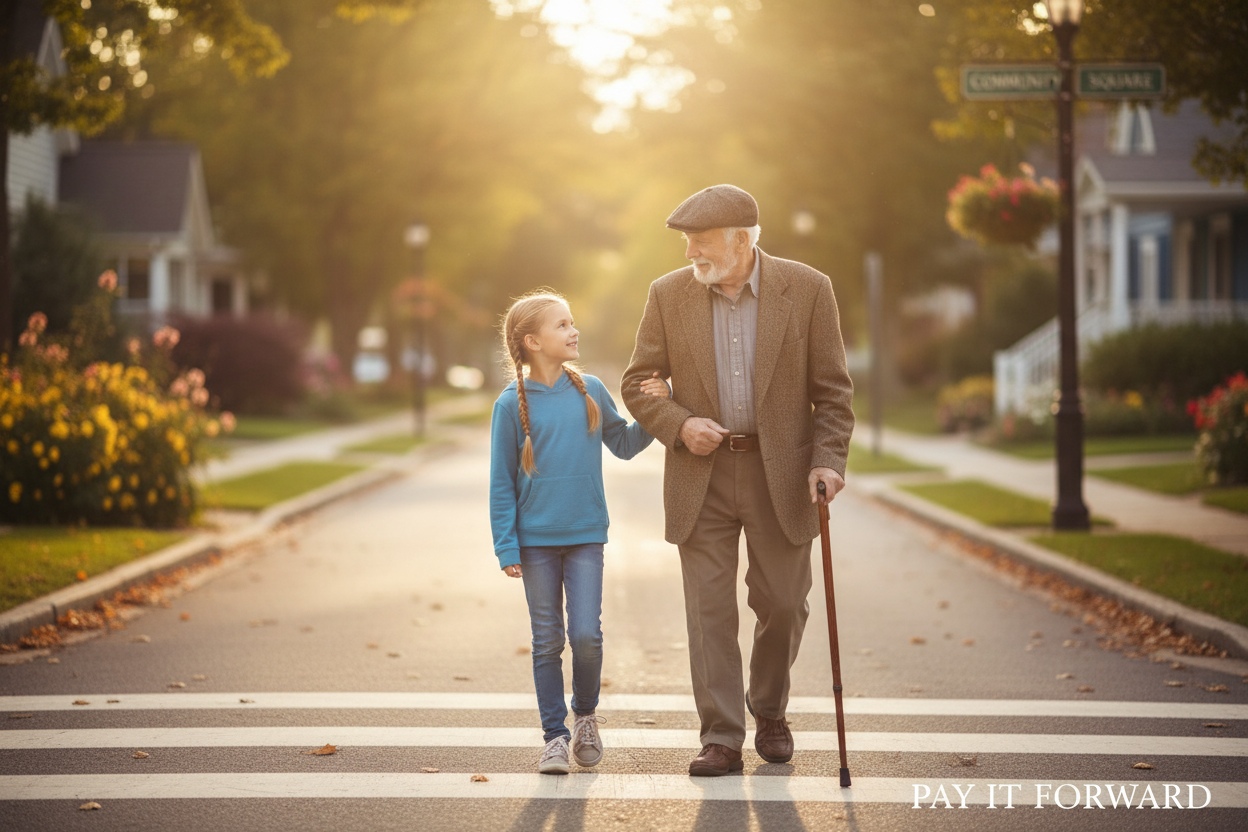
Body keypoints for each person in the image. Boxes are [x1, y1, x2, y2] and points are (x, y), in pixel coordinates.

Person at [622, 184, 855, 777]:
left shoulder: (808, 288)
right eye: (687, 242)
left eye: (701, 241)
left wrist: (828, 459)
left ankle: (769, 709)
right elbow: (638, 383)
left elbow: (833, 392)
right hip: (700, 474)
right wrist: (679, 424)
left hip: (783, 473)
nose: (690, 253)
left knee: (784, 603)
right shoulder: (668, 294)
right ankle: (721, 735)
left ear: (742, 240)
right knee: (709, 612)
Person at [489, 289, 668, 775]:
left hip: (587, 534)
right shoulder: (509, 405)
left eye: (572, 322)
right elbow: (501, 482)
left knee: (586, 634)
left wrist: (657, 409)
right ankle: (555, 737)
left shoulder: (590, 389)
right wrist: (506, 544)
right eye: (563, 325)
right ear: (533, 341)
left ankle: (585, 716)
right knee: (547, 640)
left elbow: (624, 444)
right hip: (535, 542)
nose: (574, 331)